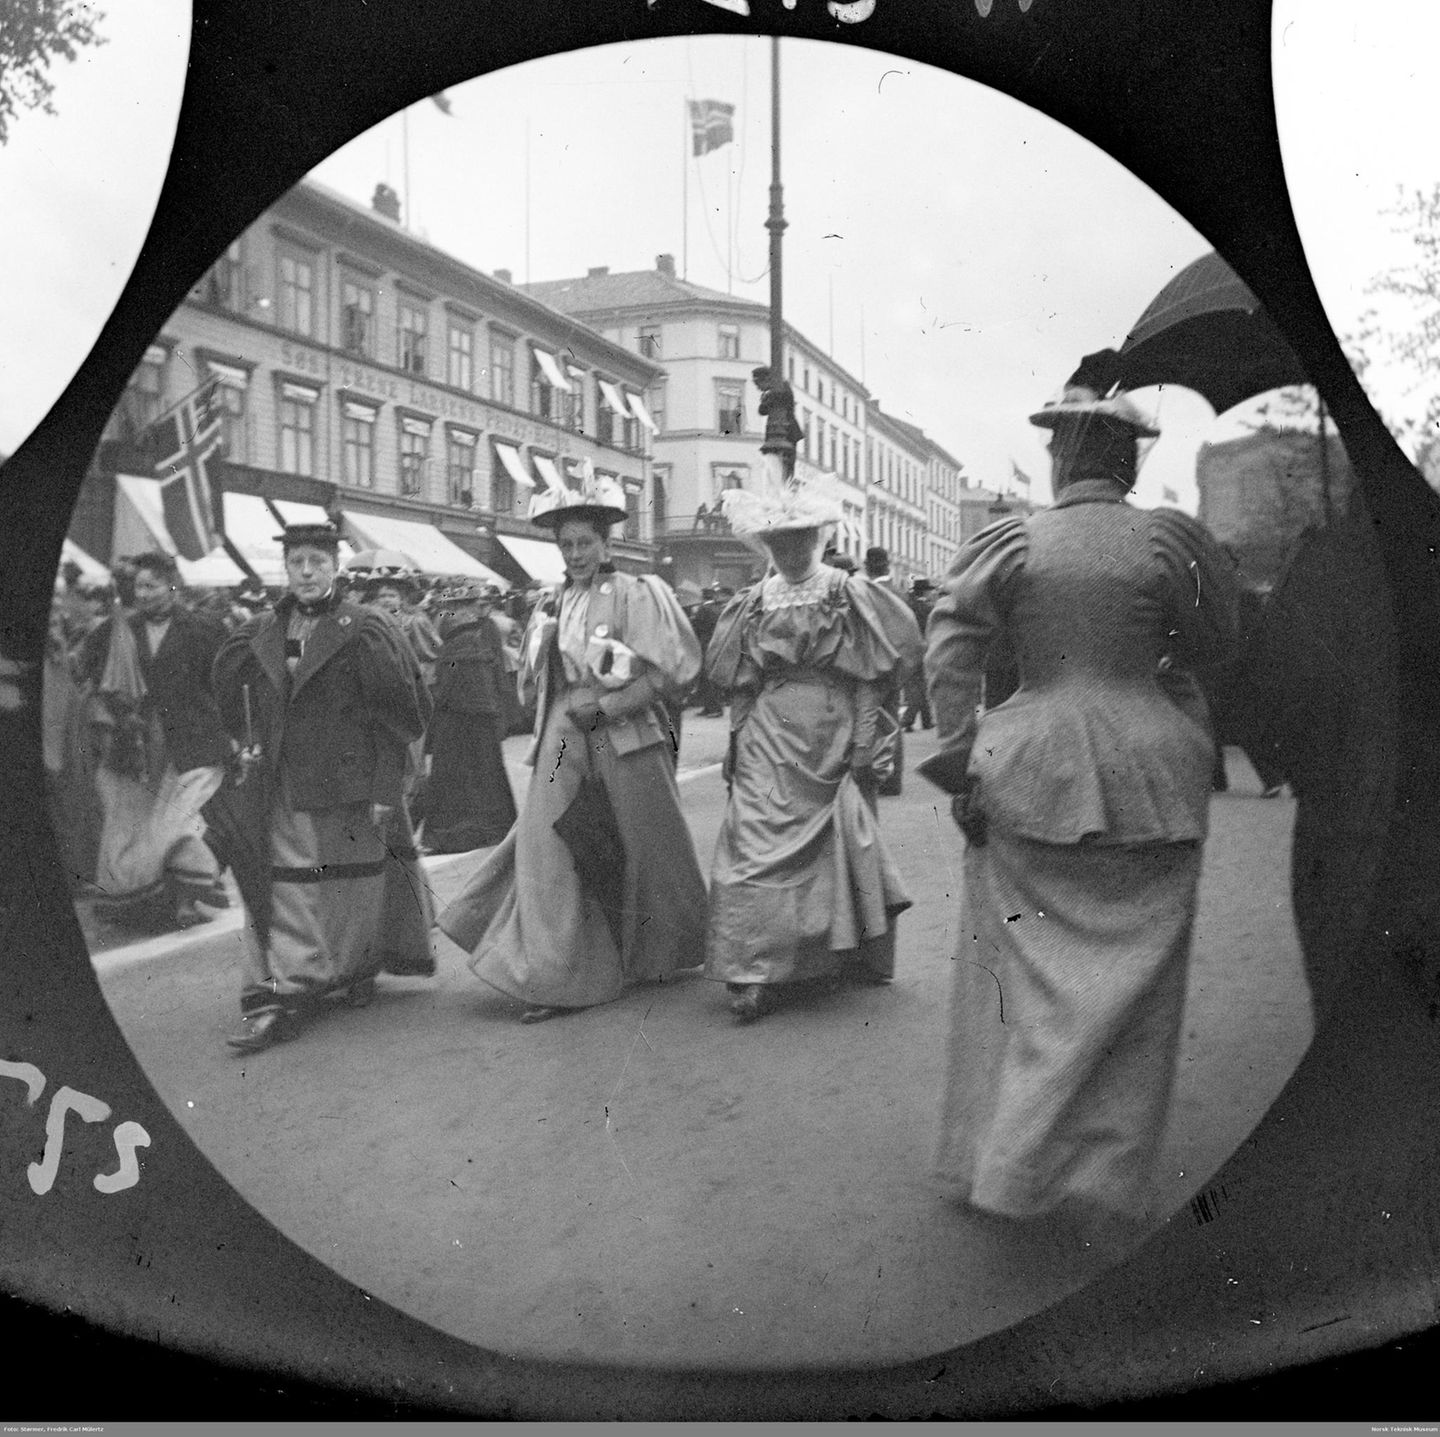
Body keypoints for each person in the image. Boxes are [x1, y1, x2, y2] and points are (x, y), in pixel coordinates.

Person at [922, 380, 1238, 1253]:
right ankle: (1103, 1175)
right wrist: (1165, 685)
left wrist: (959, 754)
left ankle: (1010, 1162)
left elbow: (950, 646)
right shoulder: (1169, 541)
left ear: (1060, 455)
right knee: (1136, 997)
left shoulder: (1016, 540)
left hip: (1028, 768)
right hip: (1153, 773)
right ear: (1130, 458)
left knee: (1020, 984)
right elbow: (1222, 644)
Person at [437, 469, 707, 1023]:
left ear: (606, 543)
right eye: (567, 545)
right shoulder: (552, 603)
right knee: (547, 842)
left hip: (624, 735)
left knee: (643, 848)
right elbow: (537, 679)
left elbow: (671, 673)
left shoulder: (637, 593)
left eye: (586, 543)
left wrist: (607, 705)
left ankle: (652, 956)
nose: (577, 553)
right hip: (564, 738)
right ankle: (556, 976)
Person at [702, 476, 924, 1022]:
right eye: (778, 540)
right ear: (765, 544)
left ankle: (825, 957)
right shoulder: (753, 601)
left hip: (833, 728)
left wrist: (866, 739)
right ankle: (751, 969)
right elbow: (741, 682)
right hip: (768, 733)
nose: (790, 549)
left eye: (800, 538)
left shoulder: (846, 592)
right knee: (749, 844)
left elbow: (873, 675)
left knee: (835, 846)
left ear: (818, 537)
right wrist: (736, 741)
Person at [212, 524, 436, 1053]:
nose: (307, 572)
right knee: (286, 884)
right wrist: (244, 739)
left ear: (335, 566)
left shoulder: (366, 628)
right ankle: (286, 991)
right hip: (283, 782)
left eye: (316, 561)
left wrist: (386, 785)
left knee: (350, 888)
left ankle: (351, 968)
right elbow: (229, 691)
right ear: (285, 569)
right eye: (297, 563)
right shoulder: (262, 630)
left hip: (351, 783)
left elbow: (402, 712)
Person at [75, 551, 230, 930]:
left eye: (152, 585)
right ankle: (141, 903)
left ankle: (185, 899)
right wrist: (106, 705)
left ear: (172, 585)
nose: (143, 594)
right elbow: (82, 667)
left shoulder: (203, 629)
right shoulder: (118, 629)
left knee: (177, 825)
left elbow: (225, 682)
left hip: (191, 744)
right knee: (132, 828)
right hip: (137, 746)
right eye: (138, 587)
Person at [418, 581, 518, 854]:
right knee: (480, 775)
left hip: (465, 717)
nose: (454, 612)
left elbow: (460, 680)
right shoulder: (471, 634)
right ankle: (483, 830)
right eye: (455, 607)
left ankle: (459, 834)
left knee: (463, 776)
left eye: (460, 607)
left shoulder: (470, 635)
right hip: (472, 716)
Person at [862, 546, 906, 796]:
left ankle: (875, 774)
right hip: (895, 665)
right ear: (887, 566)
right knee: (892, 723)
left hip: (871, 666)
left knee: (870, 721)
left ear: (869, 567)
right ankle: (892, 779)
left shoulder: (866, 592)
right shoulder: (898, 592)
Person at [902, 577, 937, 730]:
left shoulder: (908, 606)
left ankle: (926, 719)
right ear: (924, 592)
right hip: (925, 650)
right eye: (930, 590)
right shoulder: (928, 608)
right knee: (922, 685)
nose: (932, 593)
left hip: (909, 650)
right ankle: (908, 719)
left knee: (916, 685)